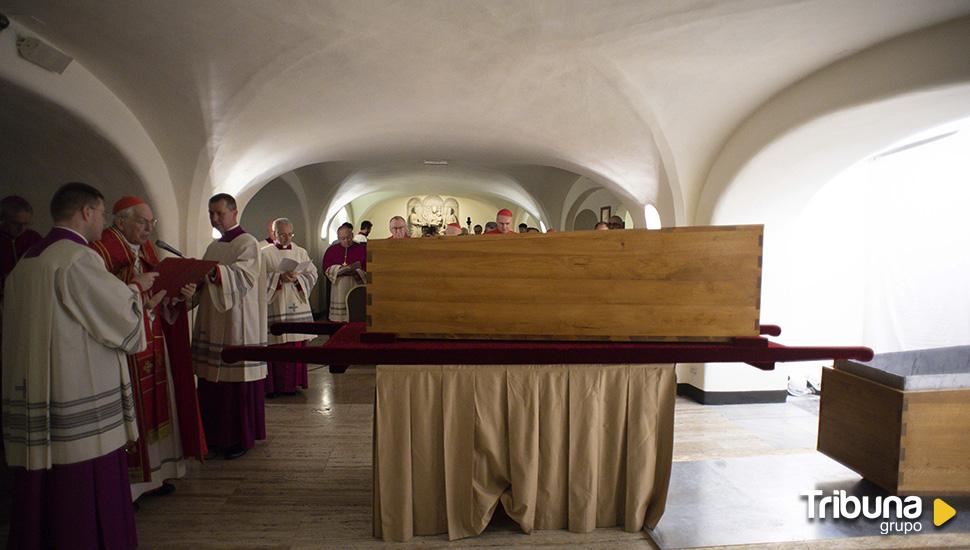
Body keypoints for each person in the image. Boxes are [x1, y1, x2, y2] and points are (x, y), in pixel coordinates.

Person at [3, 182, 160, 550]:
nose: (103, 221)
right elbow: (119, 320)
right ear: (86, 212)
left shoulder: (28, 261)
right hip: (76, 389)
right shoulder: (78, 258)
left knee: (43, 483)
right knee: (84, 484)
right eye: (102, 213)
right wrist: (137, 291)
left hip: (38, 390)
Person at [89, 196, 207, 501]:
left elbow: (160, 297)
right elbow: (104, 301)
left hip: (153, 337)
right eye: (143, 222)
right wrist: (137, 288)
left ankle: (155, 475)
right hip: (124, 348)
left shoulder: (148, 250)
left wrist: (179, 295)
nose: (149, 228)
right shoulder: (101, 250)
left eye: (151, 222)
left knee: (158, 403)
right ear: (120, 220)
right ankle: (129, 486)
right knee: (135, 412)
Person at [189, 193, 268, 460]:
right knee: (212, 383)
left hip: (238, 321)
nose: (214, 218)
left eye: (219, 213)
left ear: (234, 212)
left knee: (236, 385)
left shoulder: (248, 242)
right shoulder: (214, 246)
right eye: (211, 213)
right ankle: (213, 435)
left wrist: (216, 273)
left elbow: (245, 276)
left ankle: (238, 437)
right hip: (212, 320)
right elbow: (206, 277)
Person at [261, 218, 318, 396]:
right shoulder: (264, 253)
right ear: (274, 233)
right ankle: (275, 387)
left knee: (295, 345)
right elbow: (257, 279)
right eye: (282, 235)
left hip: (296, 303)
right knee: (277, 345)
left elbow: (313, 273)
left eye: (289, 234)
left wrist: (298, 279)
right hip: (275, 304)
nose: (286, 238)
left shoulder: (300, 252)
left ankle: (294, 384)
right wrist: (278, 278)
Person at [322, 224, 366, 321]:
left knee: (356, 315)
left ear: (352, 235)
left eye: (348, 237)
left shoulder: (361, 249)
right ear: (338, 238)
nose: (346, 240)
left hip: (355, 285)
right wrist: (339, 269)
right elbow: (326, 268)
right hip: (339, 287)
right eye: (342, 238)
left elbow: (368, 268)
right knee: (340, 319)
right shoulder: (331, 250)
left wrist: (357, 270)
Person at [0, 195, 43, 293]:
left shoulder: (33, 238)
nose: (21, 228)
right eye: (15, 223)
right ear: (3, 219)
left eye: (26, 224)